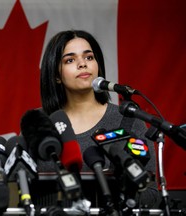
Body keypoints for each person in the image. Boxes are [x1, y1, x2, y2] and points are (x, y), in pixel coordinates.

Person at [35, 30, 158, 209]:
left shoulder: (128, 119)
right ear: (56, 75)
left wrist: (125, 191)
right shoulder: (38, 123)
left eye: (89, 57)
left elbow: (151, 194)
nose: (82, 64)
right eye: (70, 60)